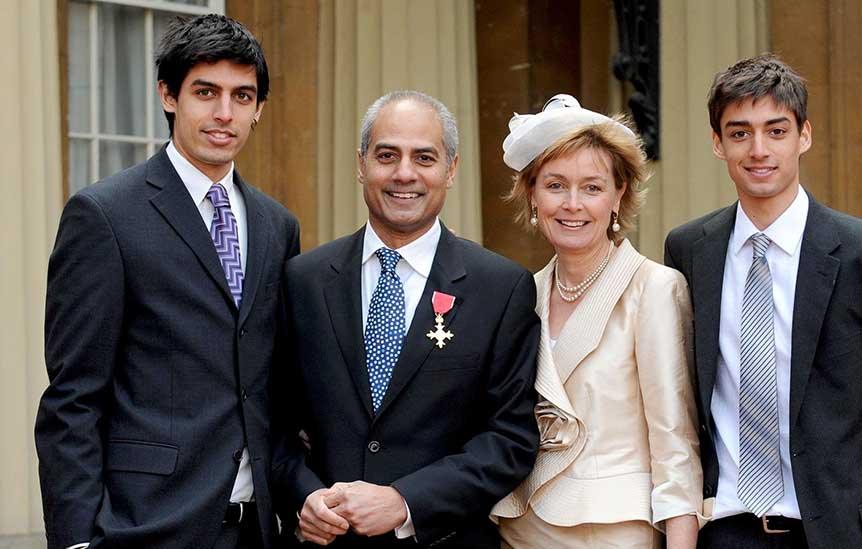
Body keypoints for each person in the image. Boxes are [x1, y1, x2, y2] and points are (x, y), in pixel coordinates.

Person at [664, 54, 862, 547]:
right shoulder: (689, 250)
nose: (758, 150)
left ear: (804, 136)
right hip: (727, 531)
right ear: (718, 143)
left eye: (776, 131)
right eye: (739, 133)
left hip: (845, 533)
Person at [35, 15, 299, 549]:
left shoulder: (277, 225)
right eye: (206, 92)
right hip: (144, 527)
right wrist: (75, 539)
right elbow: (73, 399)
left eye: (242, 96)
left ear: (259, 108)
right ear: (168, 95)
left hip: (257, 529)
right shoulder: (104, 215)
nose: (225, 113)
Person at [271, 90, 540, 548]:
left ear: (451, 170)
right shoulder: (304, 279)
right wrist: (303, 498)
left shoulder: (500, 288)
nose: (404, 174)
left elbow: (510, 438)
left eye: (425, 157)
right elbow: (272, 422)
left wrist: (405, 501)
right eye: (387, 155)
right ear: (361, 164)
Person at [490, 94, 703, 549]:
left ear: (618, 194)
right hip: (520, 531)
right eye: (555, 185)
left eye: (591, 187)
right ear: (531, 193)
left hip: (613, 534)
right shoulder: (520, 294)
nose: (573, 204)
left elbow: (676, 448)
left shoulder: (654, 289)